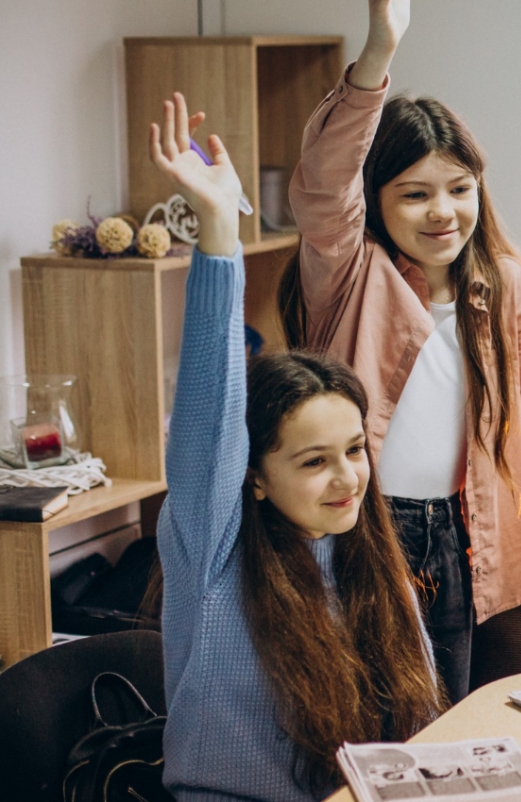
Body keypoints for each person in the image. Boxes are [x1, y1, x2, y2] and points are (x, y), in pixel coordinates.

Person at [150, 93, 442, 801]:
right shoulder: (211, 555)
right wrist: (219, 233)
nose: (346, 478)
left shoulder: (379, 571)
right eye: (313, 462)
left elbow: (421, 742)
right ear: (253, 476)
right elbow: (207, 413)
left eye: (353, 450)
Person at [283, 0, 521, 702]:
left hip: (466, 530)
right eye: (415, 194)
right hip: (367, 524)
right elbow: (323, 184)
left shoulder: (504, 282)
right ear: (376, 201)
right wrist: (378, 56)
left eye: (459, 190)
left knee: (457, 716)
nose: (442, 212)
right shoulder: (349, 269)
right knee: (371, 713)